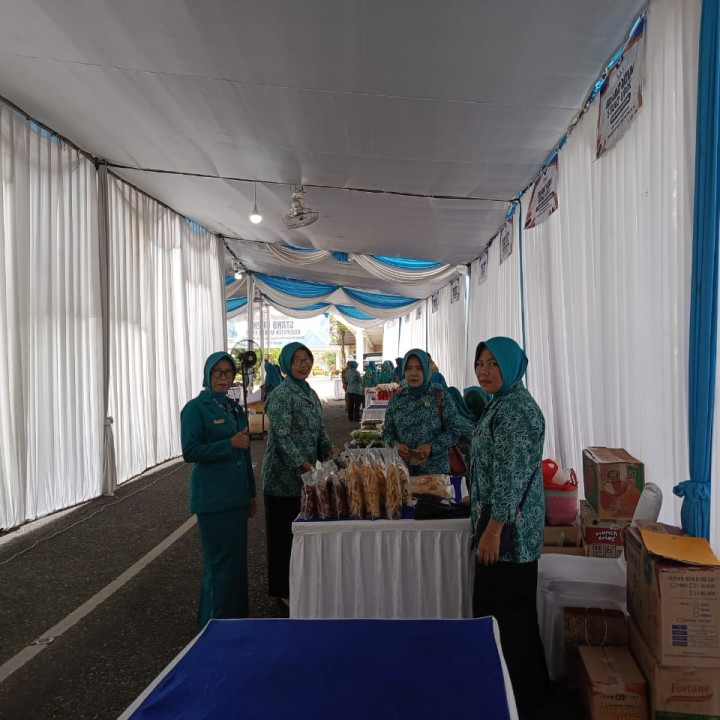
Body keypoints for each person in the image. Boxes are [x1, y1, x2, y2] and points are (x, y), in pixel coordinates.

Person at [469, 337, 548, 717]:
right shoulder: (502, 402)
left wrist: (493, 531)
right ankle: (516, 699)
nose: (484, 371)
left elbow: (510, 477)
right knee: (510, 621)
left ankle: (519, 704)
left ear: (512, 365)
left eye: (493, 363)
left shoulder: (515, 410)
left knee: (509, 623)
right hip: (504, 527)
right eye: (480, 363)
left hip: (508, 537)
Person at [180, 352, 256, 629]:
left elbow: (245, 453)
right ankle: (213, 628)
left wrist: (250, 493)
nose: (224, 378)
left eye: (228, 372)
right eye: (218, 372)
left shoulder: (234, 409)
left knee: (236, 565)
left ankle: (235, 623)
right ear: (207, 374)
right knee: (219, 566)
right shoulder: (195, 409)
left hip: (236, 497)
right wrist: (228, 444)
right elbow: (190, 451)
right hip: (213, 499)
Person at [262, 342, 341, 603]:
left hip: (308, 480)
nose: (303, 365)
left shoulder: (310, 392)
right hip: (282, 479)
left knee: (305, 534)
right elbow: (282, 437)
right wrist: (305, 465)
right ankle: (283, 592)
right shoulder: (281, 395)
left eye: (307, 359)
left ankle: (303, 585)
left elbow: (319, 430)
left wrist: (329, 449)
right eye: (297, 360)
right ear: (286, 363)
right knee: (283, 537)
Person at [382, 348, 465, 476]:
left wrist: (432, 447)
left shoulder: (441, 397)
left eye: (419, 368)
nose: (413, 373)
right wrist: (396, 445)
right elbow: (388, 432)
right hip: (403, 473)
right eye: (409, 368)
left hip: (435, 473)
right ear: (404, 371)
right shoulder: (396, 400)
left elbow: (455, 430)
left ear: (426, 370)